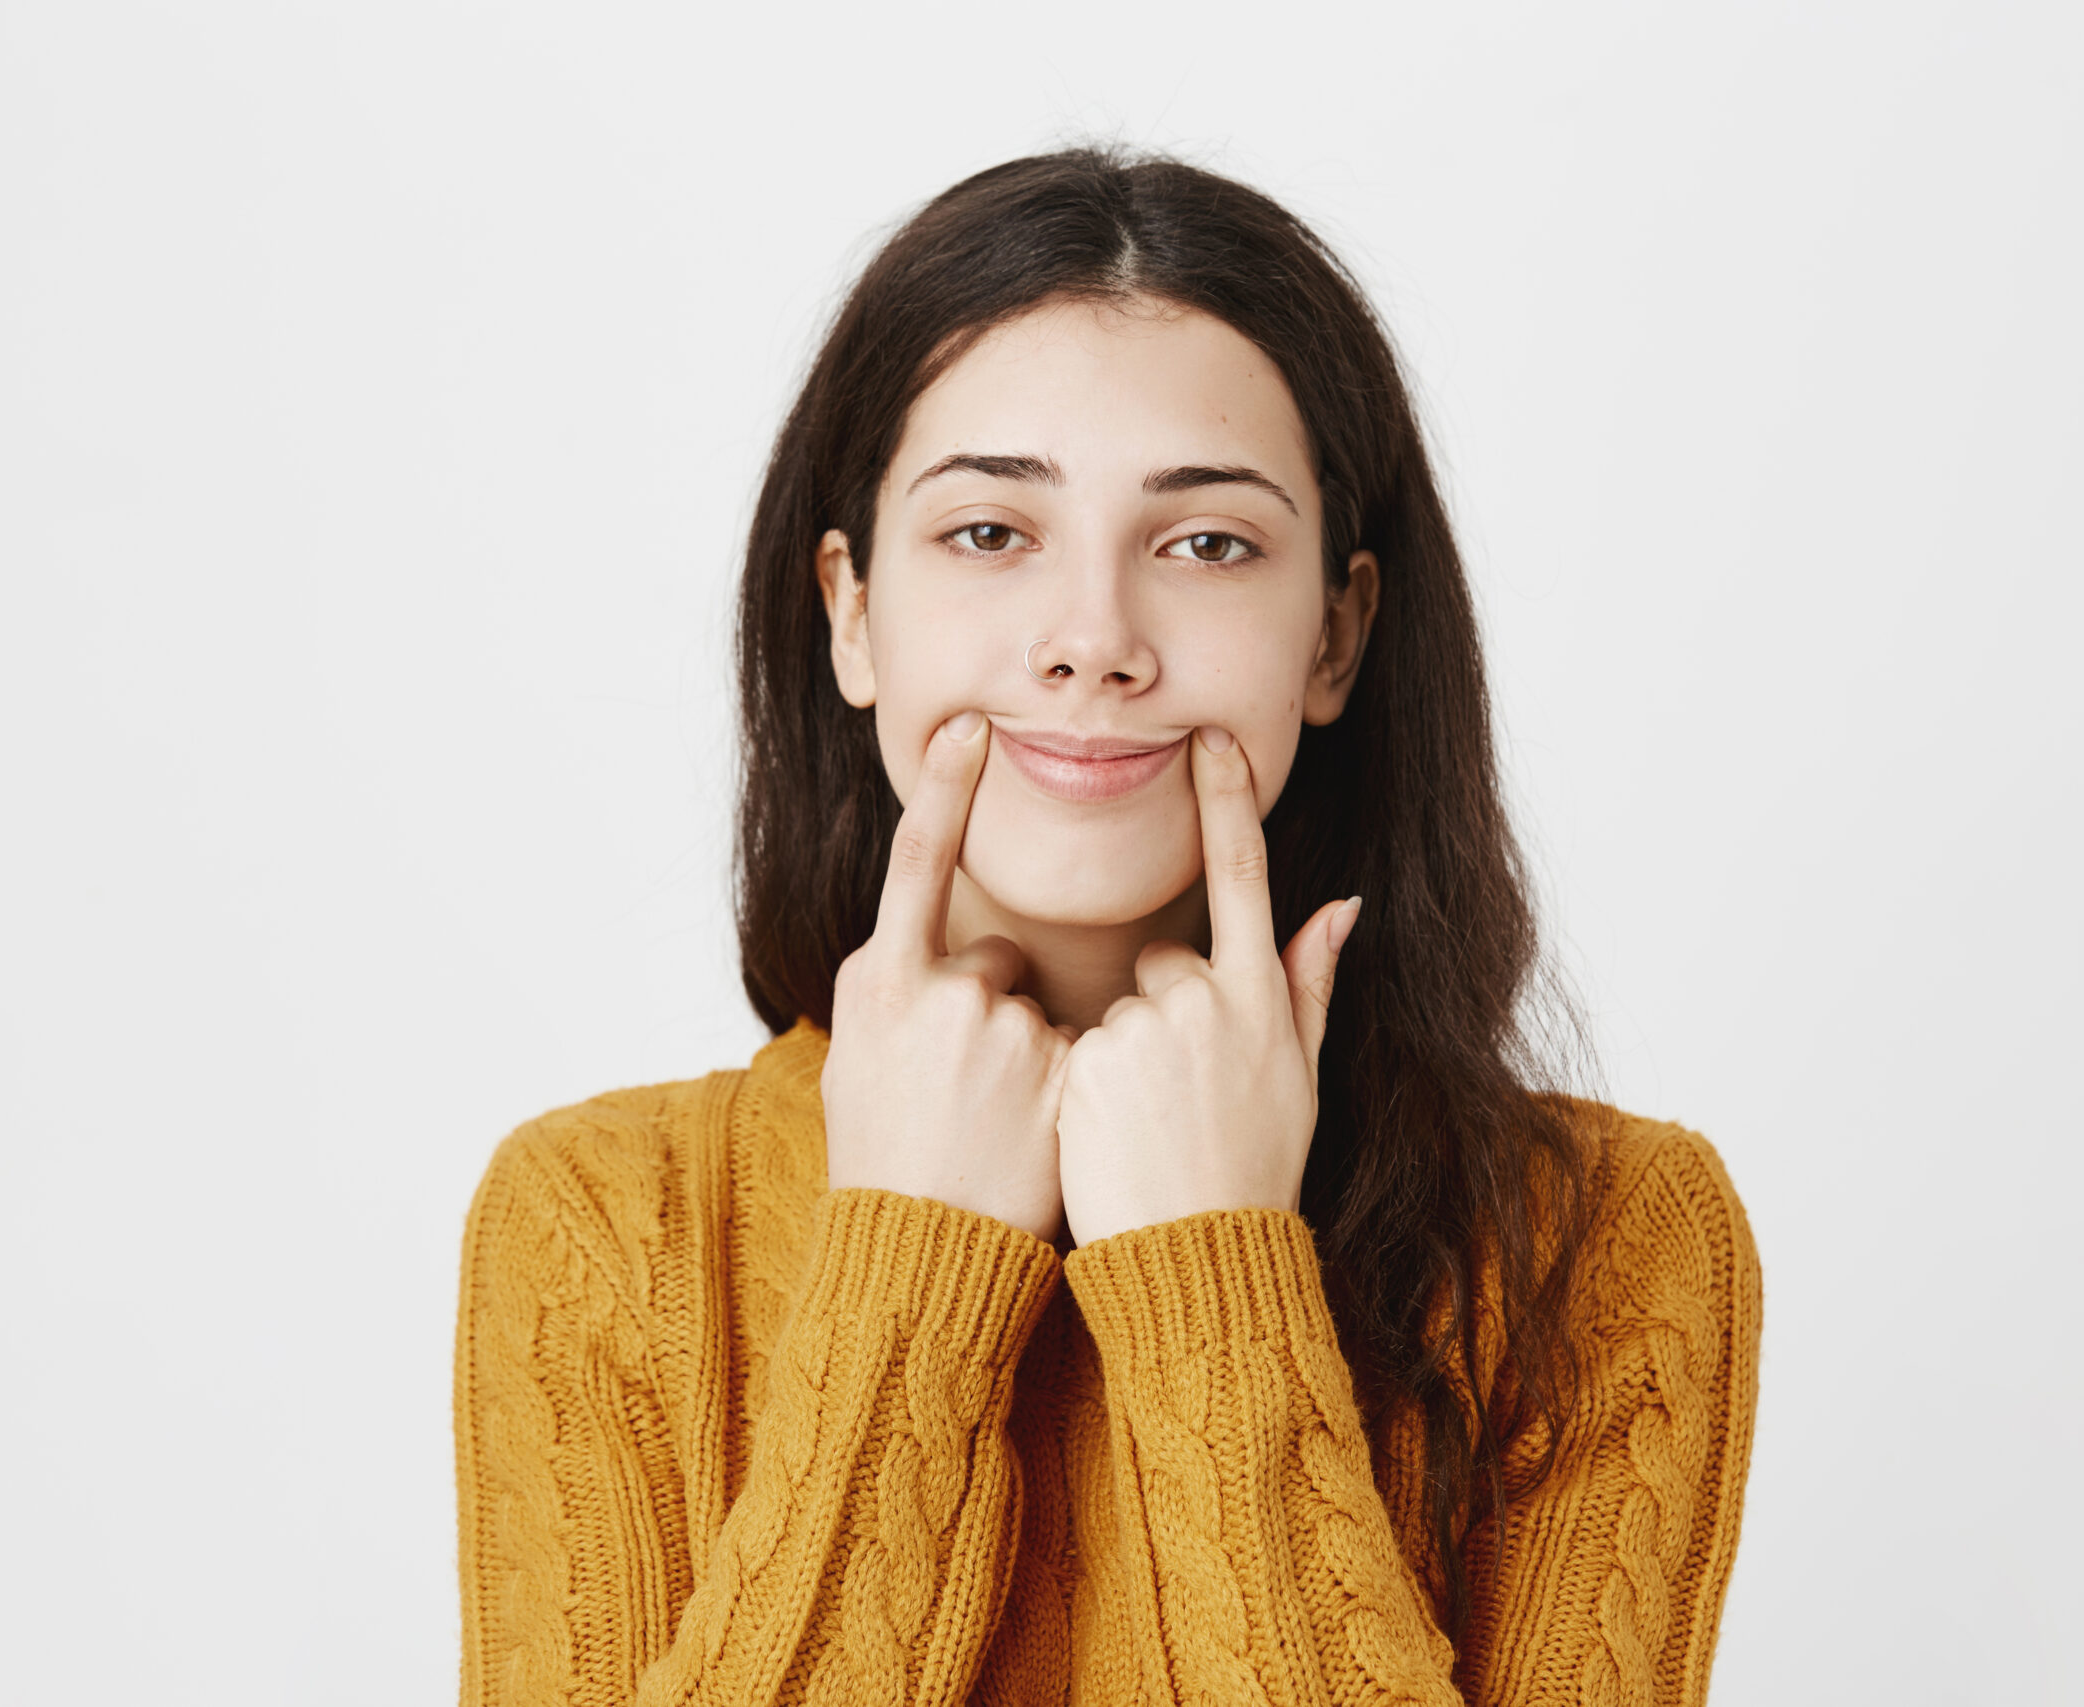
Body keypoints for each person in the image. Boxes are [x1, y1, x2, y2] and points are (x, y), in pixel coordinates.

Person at [453, 146, 1760, 1706]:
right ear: (853, 609)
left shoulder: (1600, 1241)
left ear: (1334, 633)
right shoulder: (603, 1221)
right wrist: (910, 1271)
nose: (1094, 643)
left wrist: (1211, 1276)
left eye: (1206, 543)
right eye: (991, 534)